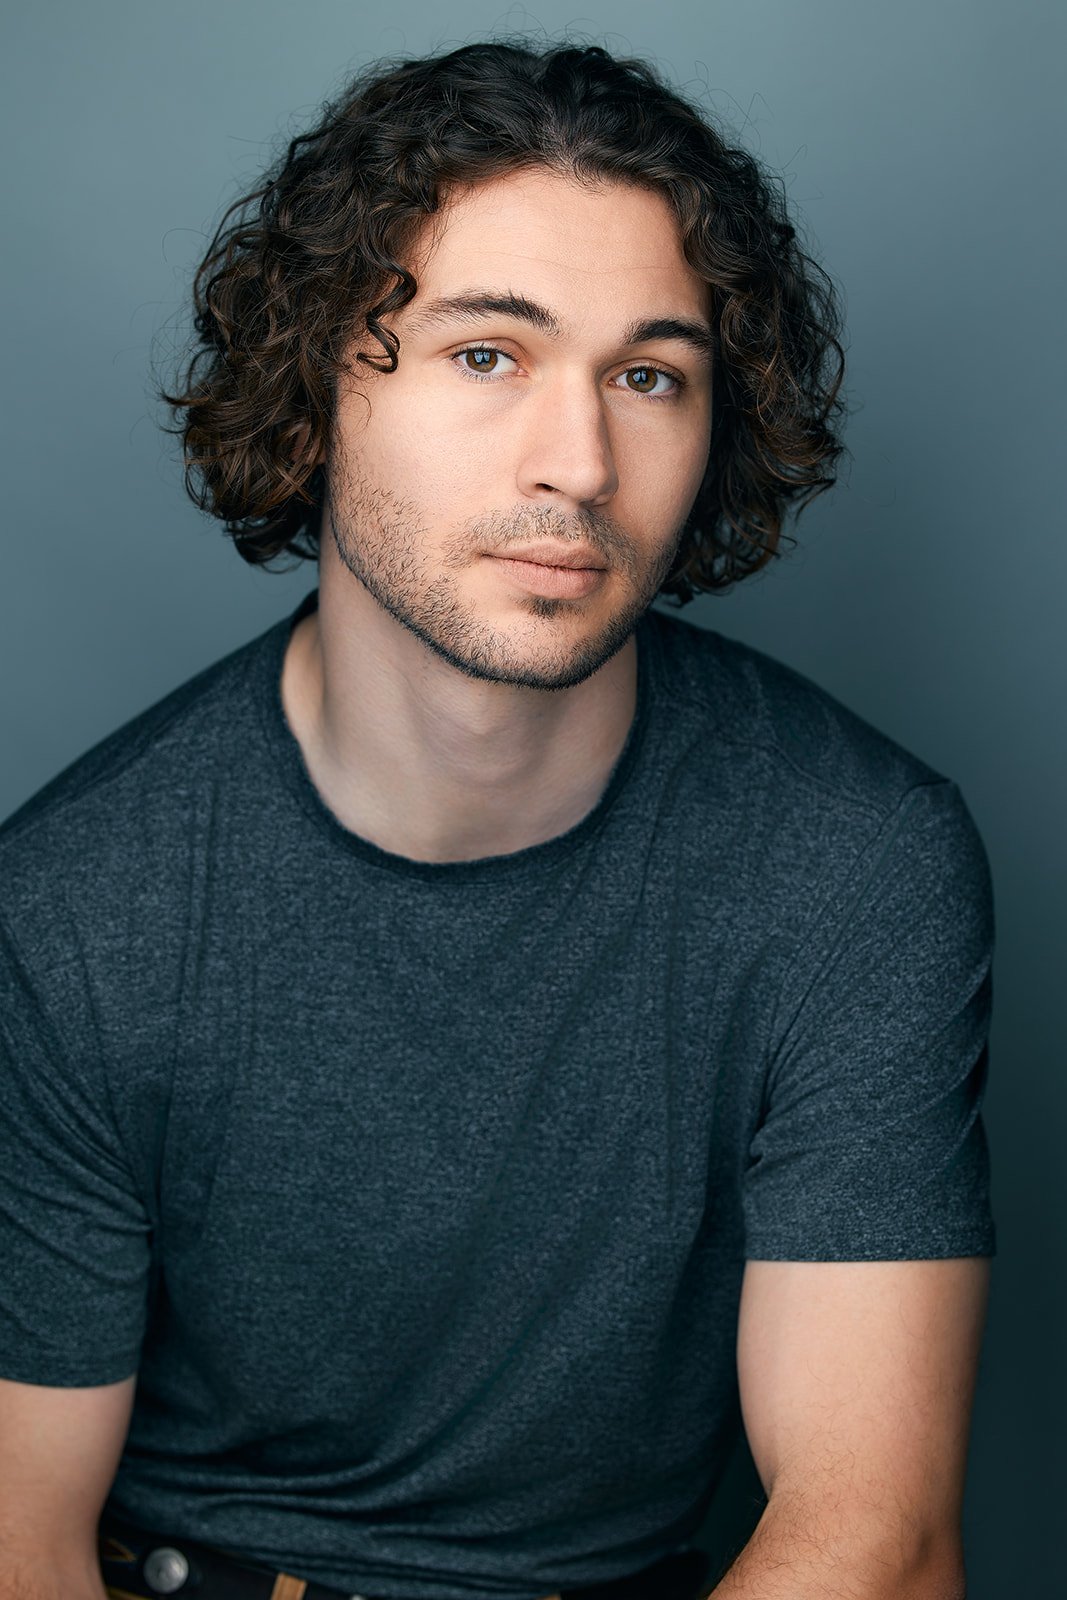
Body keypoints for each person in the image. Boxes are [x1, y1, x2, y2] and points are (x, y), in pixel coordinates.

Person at [0, 37, 994, 1600]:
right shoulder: (72, 910)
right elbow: (18, 1549)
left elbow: (873, 1536)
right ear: (320, 380)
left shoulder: (851, 860)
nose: (581, 462)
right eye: (487, 354)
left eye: (649, 376)